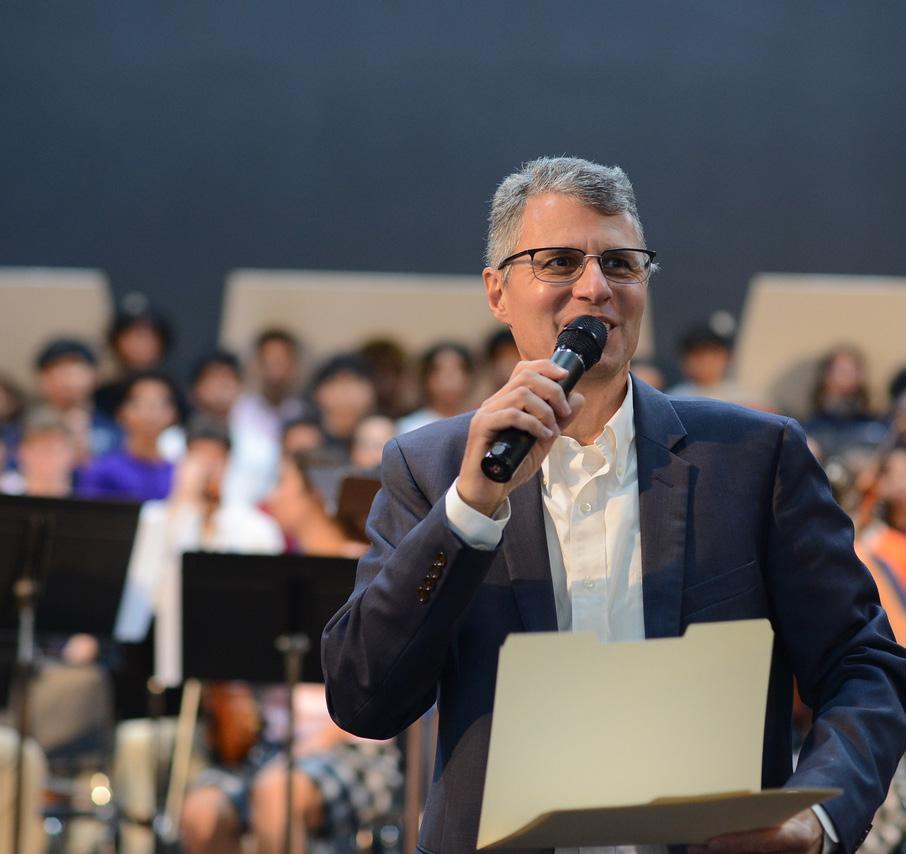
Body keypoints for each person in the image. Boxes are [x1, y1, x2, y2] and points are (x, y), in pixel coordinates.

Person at [322, 156, 906, 854]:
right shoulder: (431, 469)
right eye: (559, 262)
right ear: (498, 292)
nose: (595, 288)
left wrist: (816, 820)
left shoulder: (754, 459)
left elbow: (863, 666)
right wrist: (470, 508)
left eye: (621, 264)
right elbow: (364, 698)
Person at [179, 451, 400, 854]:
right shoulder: (275, 574)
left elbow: (387, 682)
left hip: (352, 746)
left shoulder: (370, 572)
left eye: (282, 483)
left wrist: (314, 741)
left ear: (315, 495)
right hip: (276, 747)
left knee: (276, 795)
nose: (271, 496)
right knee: (200, 811)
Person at [76, 370, 181, 502]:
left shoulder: (182, 474)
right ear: (121, 412)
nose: (151, 412)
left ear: (174, 414)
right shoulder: (102, 471)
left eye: (160, 404)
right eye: (140, 403)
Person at [33, 337, 121, 463]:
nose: (64, 379)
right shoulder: (25, 428)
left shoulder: (115, 427)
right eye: (55, 371)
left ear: (95, 375)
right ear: (42, 380)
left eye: (71, 371)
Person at [397, 342, 477, 435]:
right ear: (426, 378)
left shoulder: (481, 421)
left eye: (456, 370)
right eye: (440, 371)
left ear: (469, 376)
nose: (449, 379)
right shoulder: (409, 427)